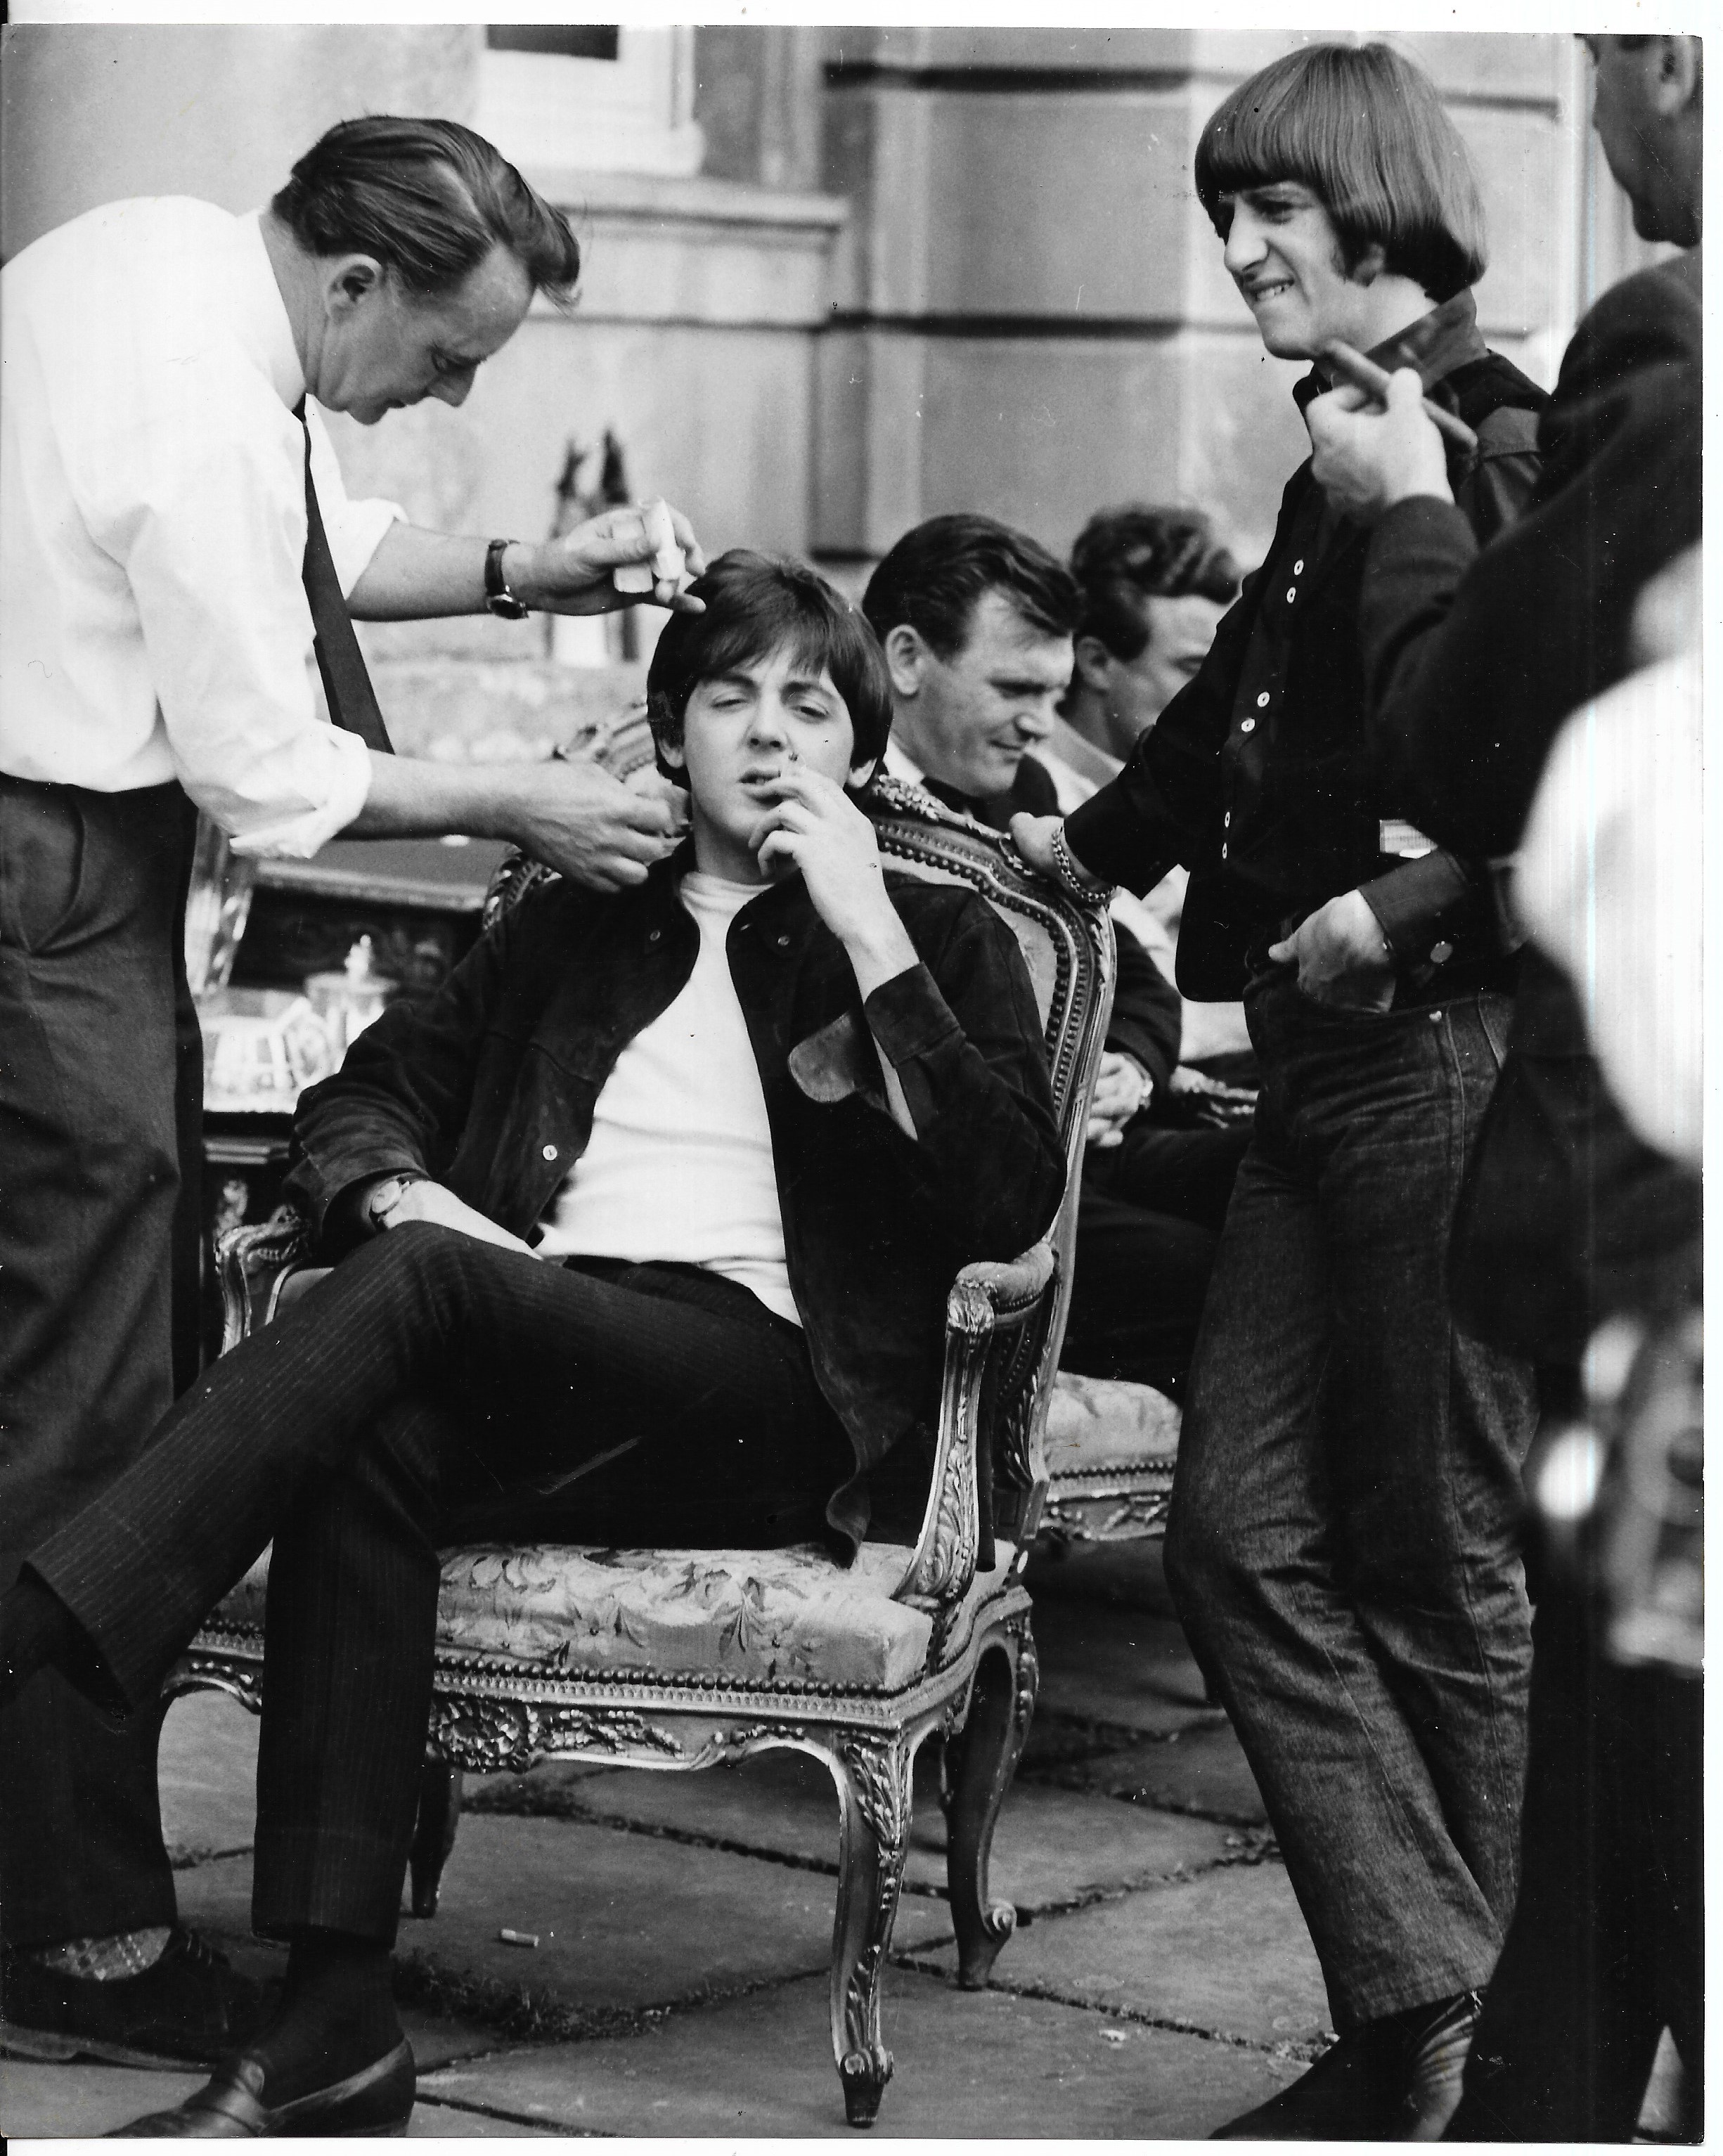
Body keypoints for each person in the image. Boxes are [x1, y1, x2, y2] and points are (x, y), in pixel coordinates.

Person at [0, 548, 1066, 2136]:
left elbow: (1011, 1197)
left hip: (773, 1387)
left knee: (425, 1285)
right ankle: (334, 2022)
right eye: (729, 698)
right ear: (671, 730)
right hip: (542, 1334)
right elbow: (358, 1100)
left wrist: (865, 927)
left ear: (860, 745)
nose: (769, 735)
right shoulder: (576, 921)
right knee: (368, 1435)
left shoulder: (932, 930)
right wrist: (410, 1192)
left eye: (810, 706)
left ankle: (51, 1621)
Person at [0, 113, 706, 2068]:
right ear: (356, 280)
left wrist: (527, 569)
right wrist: (521, 801)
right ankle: (66, 1926)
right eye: (449, 356)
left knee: (87, 1342)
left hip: (60, 844)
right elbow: (273, 774)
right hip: (55, 866)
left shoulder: (159, 252)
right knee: (84, 1388)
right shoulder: (208, 412)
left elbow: (314, 541)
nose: (447, 397)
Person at [1012, 43, 1548, 2137]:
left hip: (1436, 1062)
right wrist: (1048, 848)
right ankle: (1427, 1999)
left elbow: (1524, 769)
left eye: (1274, 209)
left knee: (1443, 1557)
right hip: (1312, 1080)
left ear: (1378, 206)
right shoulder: (1337, 445)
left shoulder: (1488, 436)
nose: (1237, 246)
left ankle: (1511, 2065)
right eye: (1222, 211)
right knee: (1237, 1540)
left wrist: (1396, 913)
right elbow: (1219, 726)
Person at [1303, 35, 1702, 2138]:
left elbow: (1466, 738)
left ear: (1665, 70)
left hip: (1666, 1230)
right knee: (1614, 1840)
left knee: (1648, 1767)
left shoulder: (1670, 345)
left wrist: (1406, 514)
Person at [863, 514, 1244, 1398]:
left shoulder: (1026, 788)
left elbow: (1138, 979)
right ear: (907, 659)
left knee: (1296, 1176)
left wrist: (1131, 1068)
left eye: (1054, 690)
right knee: (1230, 1271)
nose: (1041, 723)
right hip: (984, 1194)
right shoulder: (844, 806)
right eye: (1014, 689)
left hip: (1105, 1141)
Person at [1054, 505, 1252, 1067]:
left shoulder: (1225, 776)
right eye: (1195, 670)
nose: (1223, 697)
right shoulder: (1032, 796)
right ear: (1095, 662)